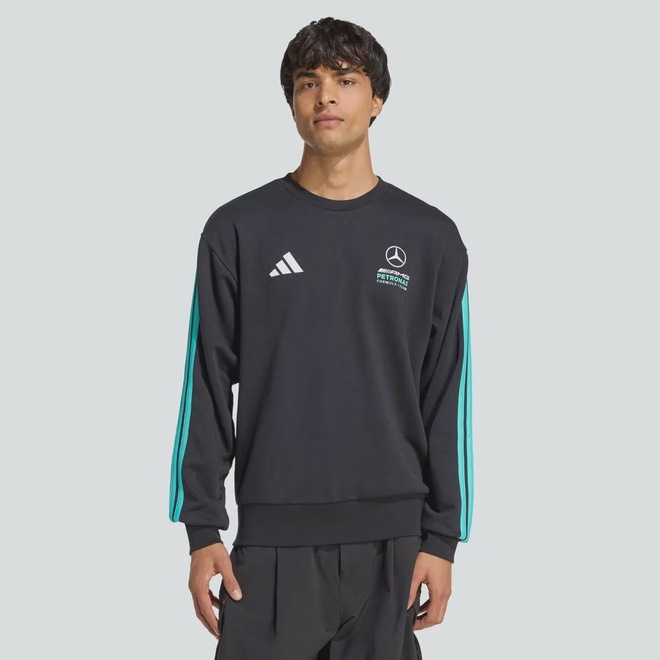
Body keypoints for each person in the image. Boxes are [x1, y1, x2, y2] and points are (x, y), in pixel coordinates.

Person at [168, 16, 474, 660]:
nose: (326, 96)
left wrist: (442, 537)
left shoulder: (431, 239)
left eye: (346, 79)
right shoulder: (238, 230)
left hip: (393, 548)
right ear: (292, 103)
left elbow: (447, 394)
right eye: (308, 82)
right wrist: (202, 528)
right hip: (270, 546)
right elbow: (205, 381)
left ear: (378, 99)